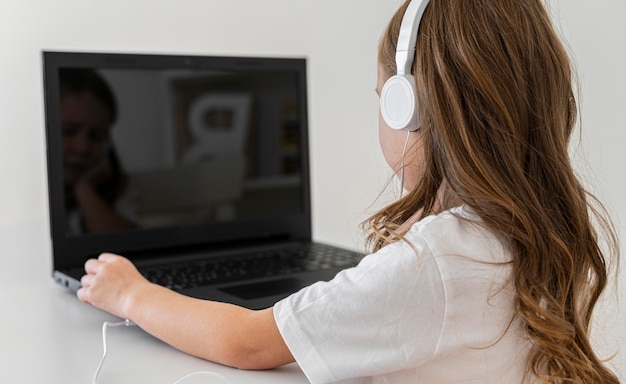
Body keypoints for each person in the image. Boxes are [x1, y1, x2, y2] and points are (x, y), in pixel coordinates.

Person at [77, 0, 620, 382]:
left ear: (405, 108)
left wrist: (132, 294)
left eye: (382, 95)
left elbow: (246, 341)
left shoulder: (432, 261)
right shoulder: (538, 232)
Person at [60, 68, 138, 234]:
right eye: (68, 131)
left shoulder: (116, 186)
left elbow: (125, 249)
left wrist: (85, 190)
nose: (82, 148)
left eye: (96, 136)